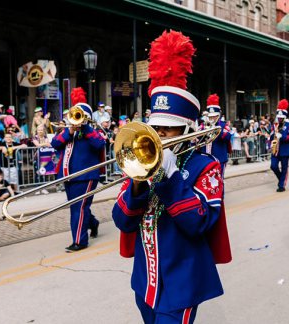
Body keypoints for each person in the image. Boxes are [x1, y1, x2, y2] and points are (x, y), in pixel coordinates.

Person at [111, 30, 231, 324]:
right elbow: (122, 220)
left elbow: (198, 223)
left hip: (182, 283)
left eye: (169, 128)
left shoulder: (206, 166)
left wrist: (171, 175)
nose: (160, 134)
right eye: (157, 127)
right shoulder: (145, 163)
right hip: (146, 280)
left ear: (188, 129)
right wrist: (138, 182)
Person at [51, 88, 106, 252]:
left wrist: (85, 127)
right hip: (68, 176)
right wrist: (70, 130)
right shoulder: (68, 131)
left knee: (78, 208)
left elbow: (100, 144)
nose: (76, 119)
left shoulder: (93, 132)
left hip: (86, 176)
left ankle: (80, 241)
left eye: (80, 115)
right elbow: (54, 144)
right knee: (78, 207)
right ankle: (93, 223)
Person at [270, 99, 289, 192]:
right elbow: (271, 135)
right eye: (279, 117)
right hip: (275, 149)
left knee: (284, 168)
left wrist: (283, 137)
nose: (280, 119)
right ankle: (281, 178)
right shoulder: (275, 125)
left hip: (285, 149)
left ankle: (281, 185)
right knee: (273, 166)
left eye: (281, 117)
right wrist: (271, 136)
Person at [201, 94, 232, 176]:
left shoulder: (223, 125)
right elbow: (197, 140)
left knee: (219, 183)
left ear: (218, 115)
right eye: (210, 117)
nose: (212, 118)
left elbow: (228, 137)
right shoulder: (203, 126)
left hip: (219, 158)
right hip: (206, 159)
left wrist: (215, 129)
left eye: (214, 116)